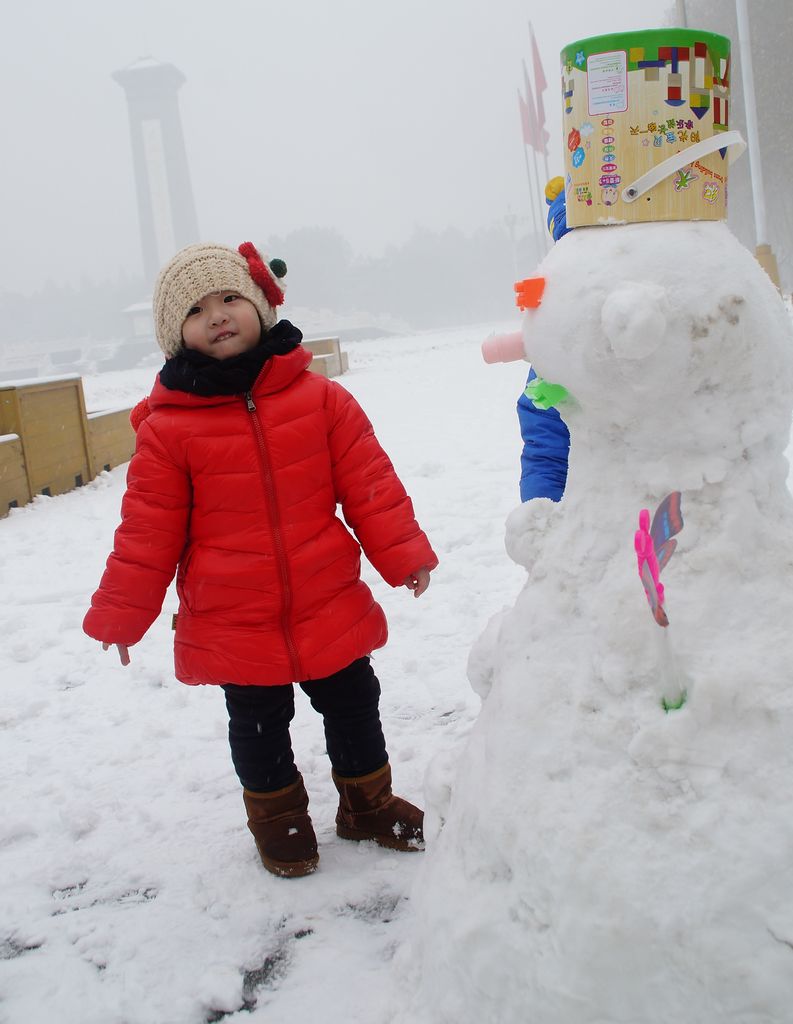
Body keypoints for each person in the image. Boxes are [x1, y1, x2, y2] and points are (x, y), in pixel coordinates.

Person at [84, 241, 438, 879]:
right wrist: (122, 614)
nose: (217, 315)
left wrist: (403, 551)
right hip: (234, 614)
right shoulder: (168, 429)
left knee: (355, 701)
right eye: (195, 310)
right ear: (175, 335)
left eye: (229, 298)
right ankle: (280, 822)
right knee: (257, 723)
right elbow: (146, 532)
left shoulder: (320, 399)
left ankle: (367, 804)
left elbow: (370, 484)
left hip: (325, 596)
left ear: (260, 306)